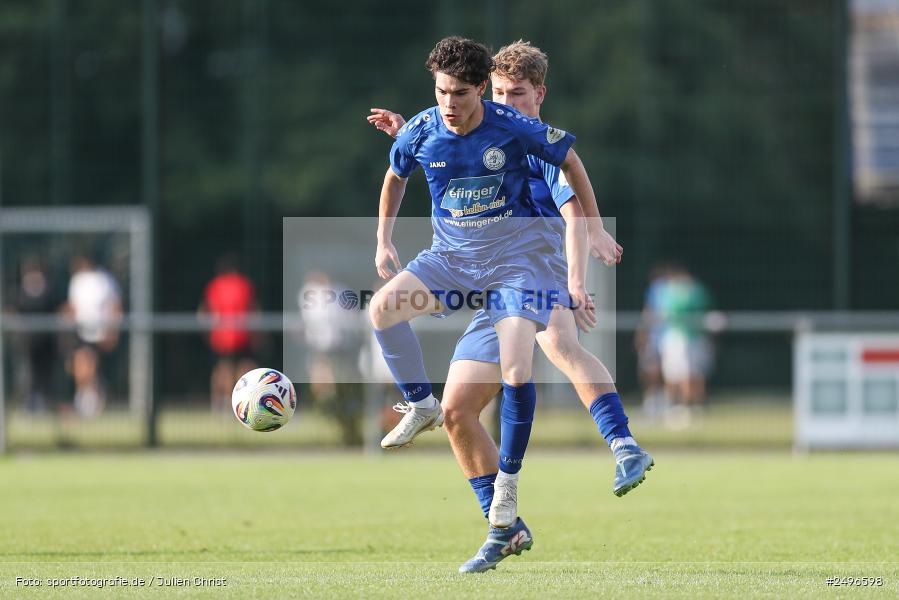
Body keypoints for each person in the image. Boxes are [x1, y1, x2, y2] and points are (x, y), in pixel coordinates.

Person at [368, 40, 653, 573]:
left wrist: (577, 271)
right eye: (499, 92)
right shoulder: (456, 126)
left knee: (554, 351)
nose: (506, 101)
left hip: (530, 270)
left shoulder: (524, 139)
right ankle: (504, 524)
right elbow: (438, 153)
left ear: (537, 95)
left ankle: (615, 449)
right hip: (475, 272)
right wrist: (413, 132)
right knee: (455, 409)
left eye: (514, 93)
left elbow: (570, 198)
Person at [62, 255, 123, 417]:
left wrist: (112, 330)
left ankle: (88, 399)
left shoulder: (105, 280)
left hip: (100, 332)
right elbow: (73, 307)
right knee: (80, 365)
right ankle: (87, 398)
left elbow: (115, 306)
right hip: (81, 332)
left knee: (87, 364)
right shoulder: (77, 281)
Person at [199, 256, 258, 413]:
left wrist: (208, 332)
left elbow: (206, 312)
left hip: (221, 336)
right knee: (243, 369)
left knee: (222, 369)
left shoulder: (215, 286)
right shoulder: (244, 284)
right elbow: (253, 310)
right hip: (241, 334)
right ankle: (245, 403)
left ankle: (222, 405)